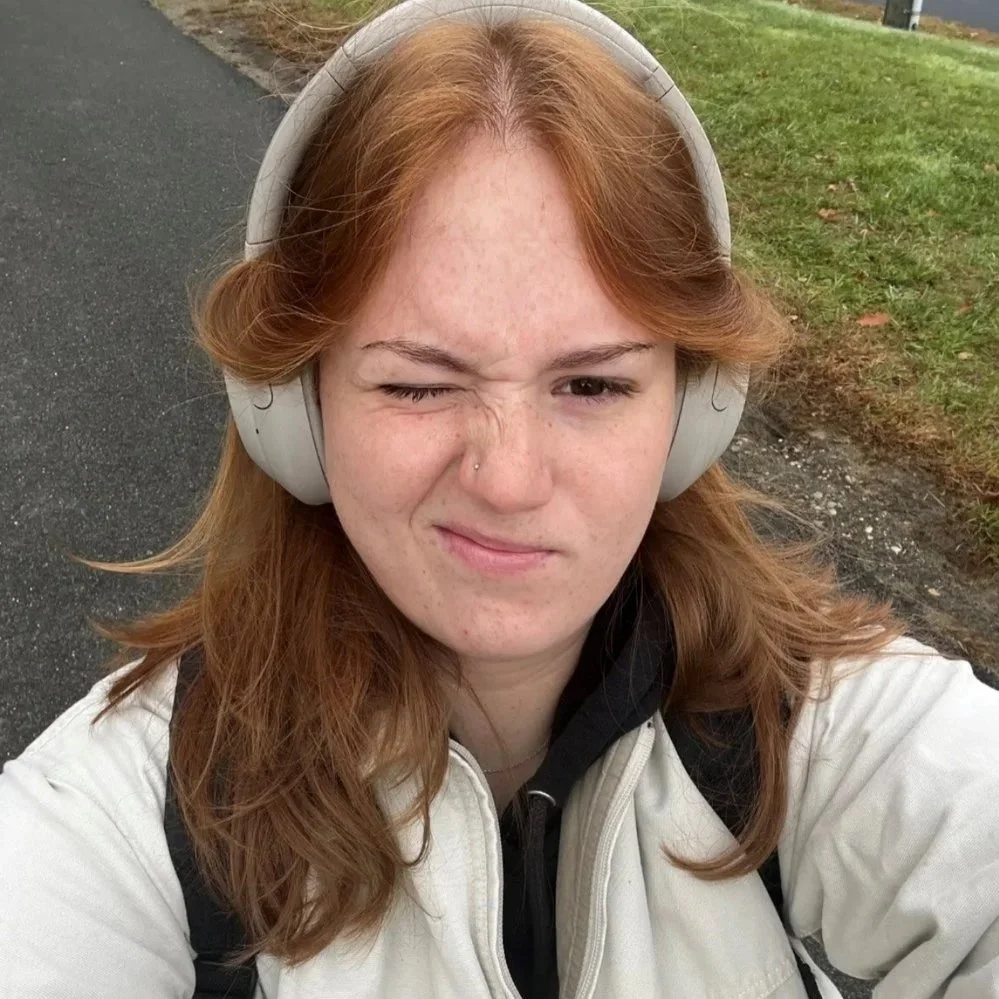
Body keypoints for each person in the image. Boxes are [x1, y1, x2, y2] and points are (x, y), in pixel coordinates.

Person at [2, 0, 998, 996]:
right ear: (293, 410)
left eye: (592, 384)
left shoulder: (837, 738)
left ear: (694, 412)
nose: (509, 481)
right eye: (417, 384)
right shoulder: (137, 810)